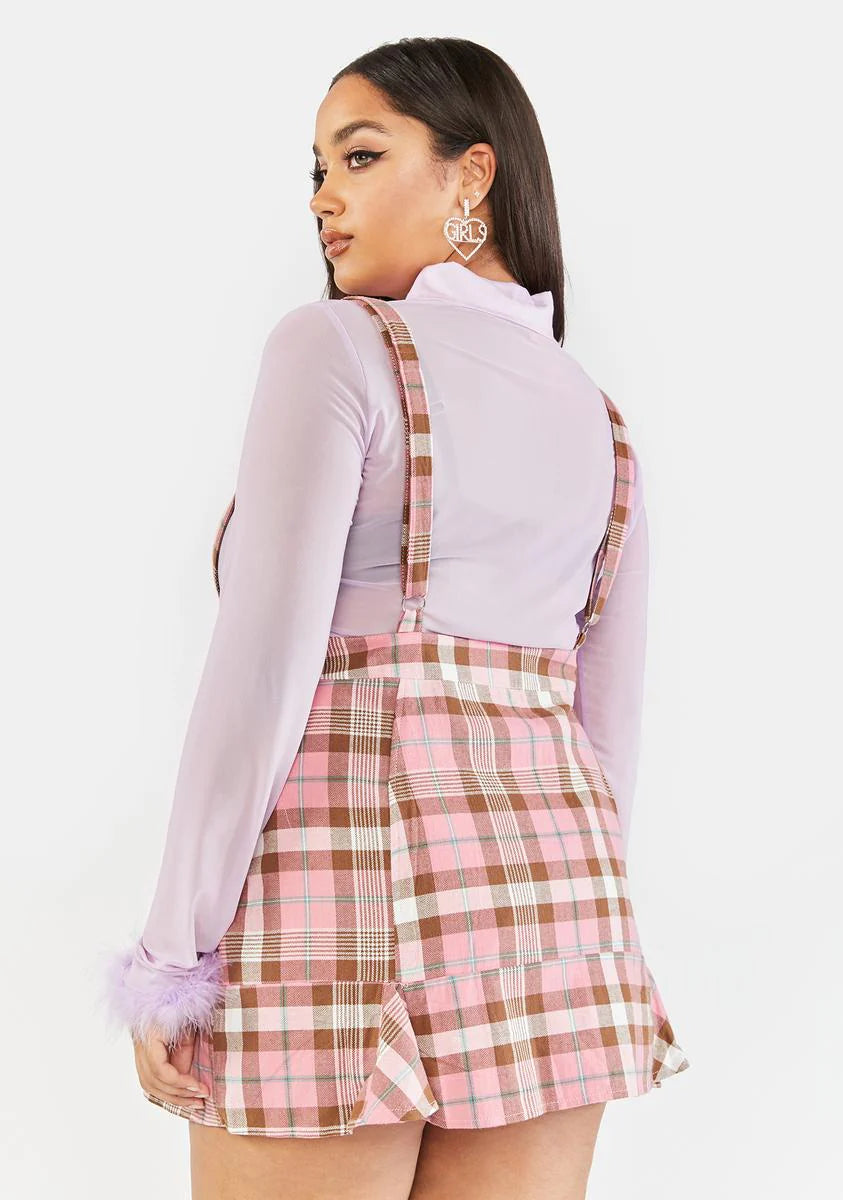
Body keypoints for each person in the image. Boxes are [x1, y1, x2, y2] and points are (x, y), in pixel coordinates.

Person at [102, 36, 689, 1200]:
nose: (325, 197)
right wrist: (578, 936)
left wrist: (172, 955)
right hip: (560, 920)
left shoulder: (335, 348)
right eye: (317, 169)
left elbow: (260, 680)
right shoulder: (600, 419)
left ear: (473, 174)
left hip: (340, 899)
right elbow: (607, 735)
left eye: (360, 156)